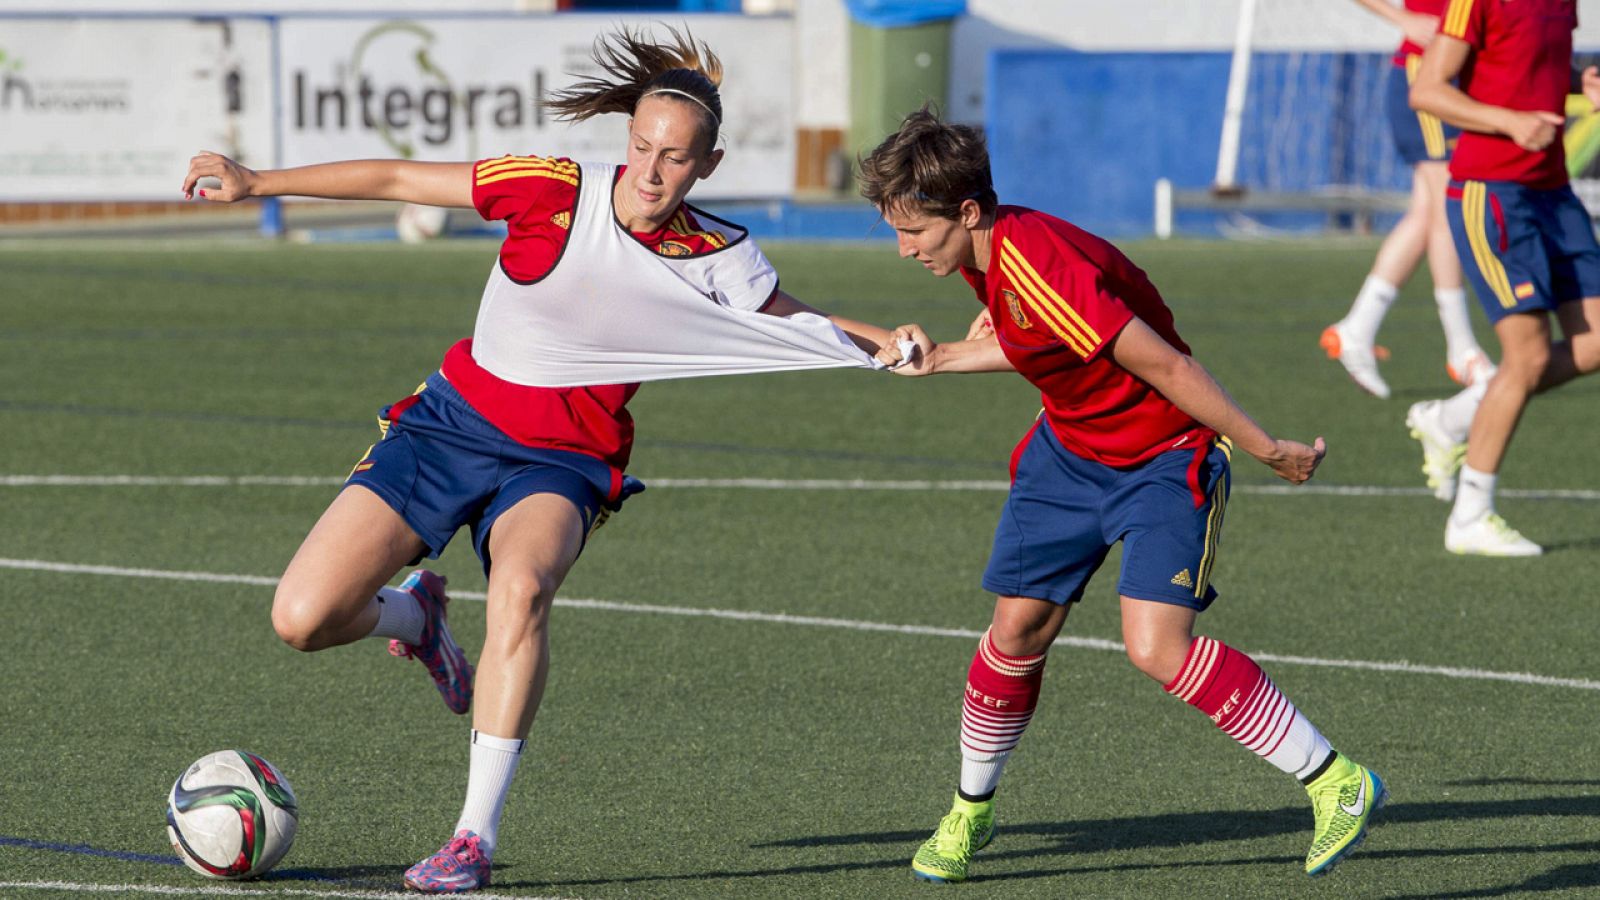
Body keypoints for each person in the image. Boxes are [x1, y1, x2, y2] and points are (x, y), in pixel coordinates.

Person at [182, 28, 897, 894]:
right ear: (624, 140)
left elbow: (792, 320)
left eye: (675, 158)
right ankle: (416, 622)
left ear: (706, 166)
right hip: (448, 426)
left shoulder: (719, 256)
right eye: (640, 147)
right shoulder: (551, 189)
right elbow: (405, 181)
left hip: (561, 460)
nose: (651, 171)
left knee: (521, 590)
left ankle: (470, 840)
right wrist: (261, 182)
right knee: (300, 617)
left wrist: (888, 343)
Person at [861, 107, 1386, 883]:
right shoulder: (982, 251)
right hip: (1066, 456)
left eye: (915, 232)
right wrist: (943, 358)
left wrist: (1265, 445)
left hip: (1163, 462)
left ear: (967, 210)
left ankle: (1337, 781)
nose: (905, 249)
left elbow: (1168, 366)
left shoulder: (1041, 264)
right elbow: (1041, 341)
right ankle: (972, 809)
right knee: (1015, 632)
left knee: (1155, 648)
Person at [1402, 2, 1600, 556]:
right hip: (1491, 194)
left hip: (1553, 193)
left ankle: (1452, 418)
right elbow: (1429, 90)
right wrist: (1510, 122)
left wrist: (1583, 88)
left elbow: (1536, 71)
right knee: (1528, 356)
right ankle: (1471, 514)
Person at [1321, 0, 1493, 398]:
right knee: (1447, 210)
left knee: (1425, 213)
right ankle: (1461, 346)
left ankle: (1357, 328)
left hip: (1455, 76)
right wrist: (1402, 18)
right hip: (1427, 75)